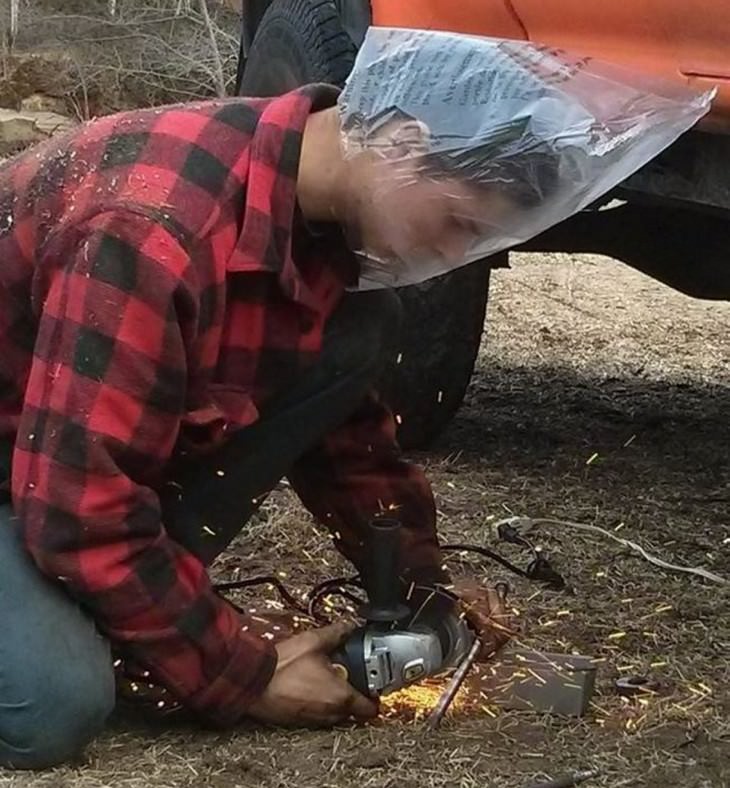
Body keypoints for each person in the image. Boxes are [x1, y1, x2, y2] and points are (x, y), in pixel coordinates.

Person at [0, 65, 528, 766]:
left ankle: (102, 604)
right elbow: (75, 510)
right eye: (459, 220)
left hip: (56, 458)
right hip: (45, 482)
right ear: (404, 141)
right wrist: (244, 676)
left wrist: (418, 588)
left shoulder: (306, 202)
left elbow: (350, 447)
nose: (454, 252)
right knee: (52, 704)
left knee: (362, 326)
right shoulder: (149, 229)